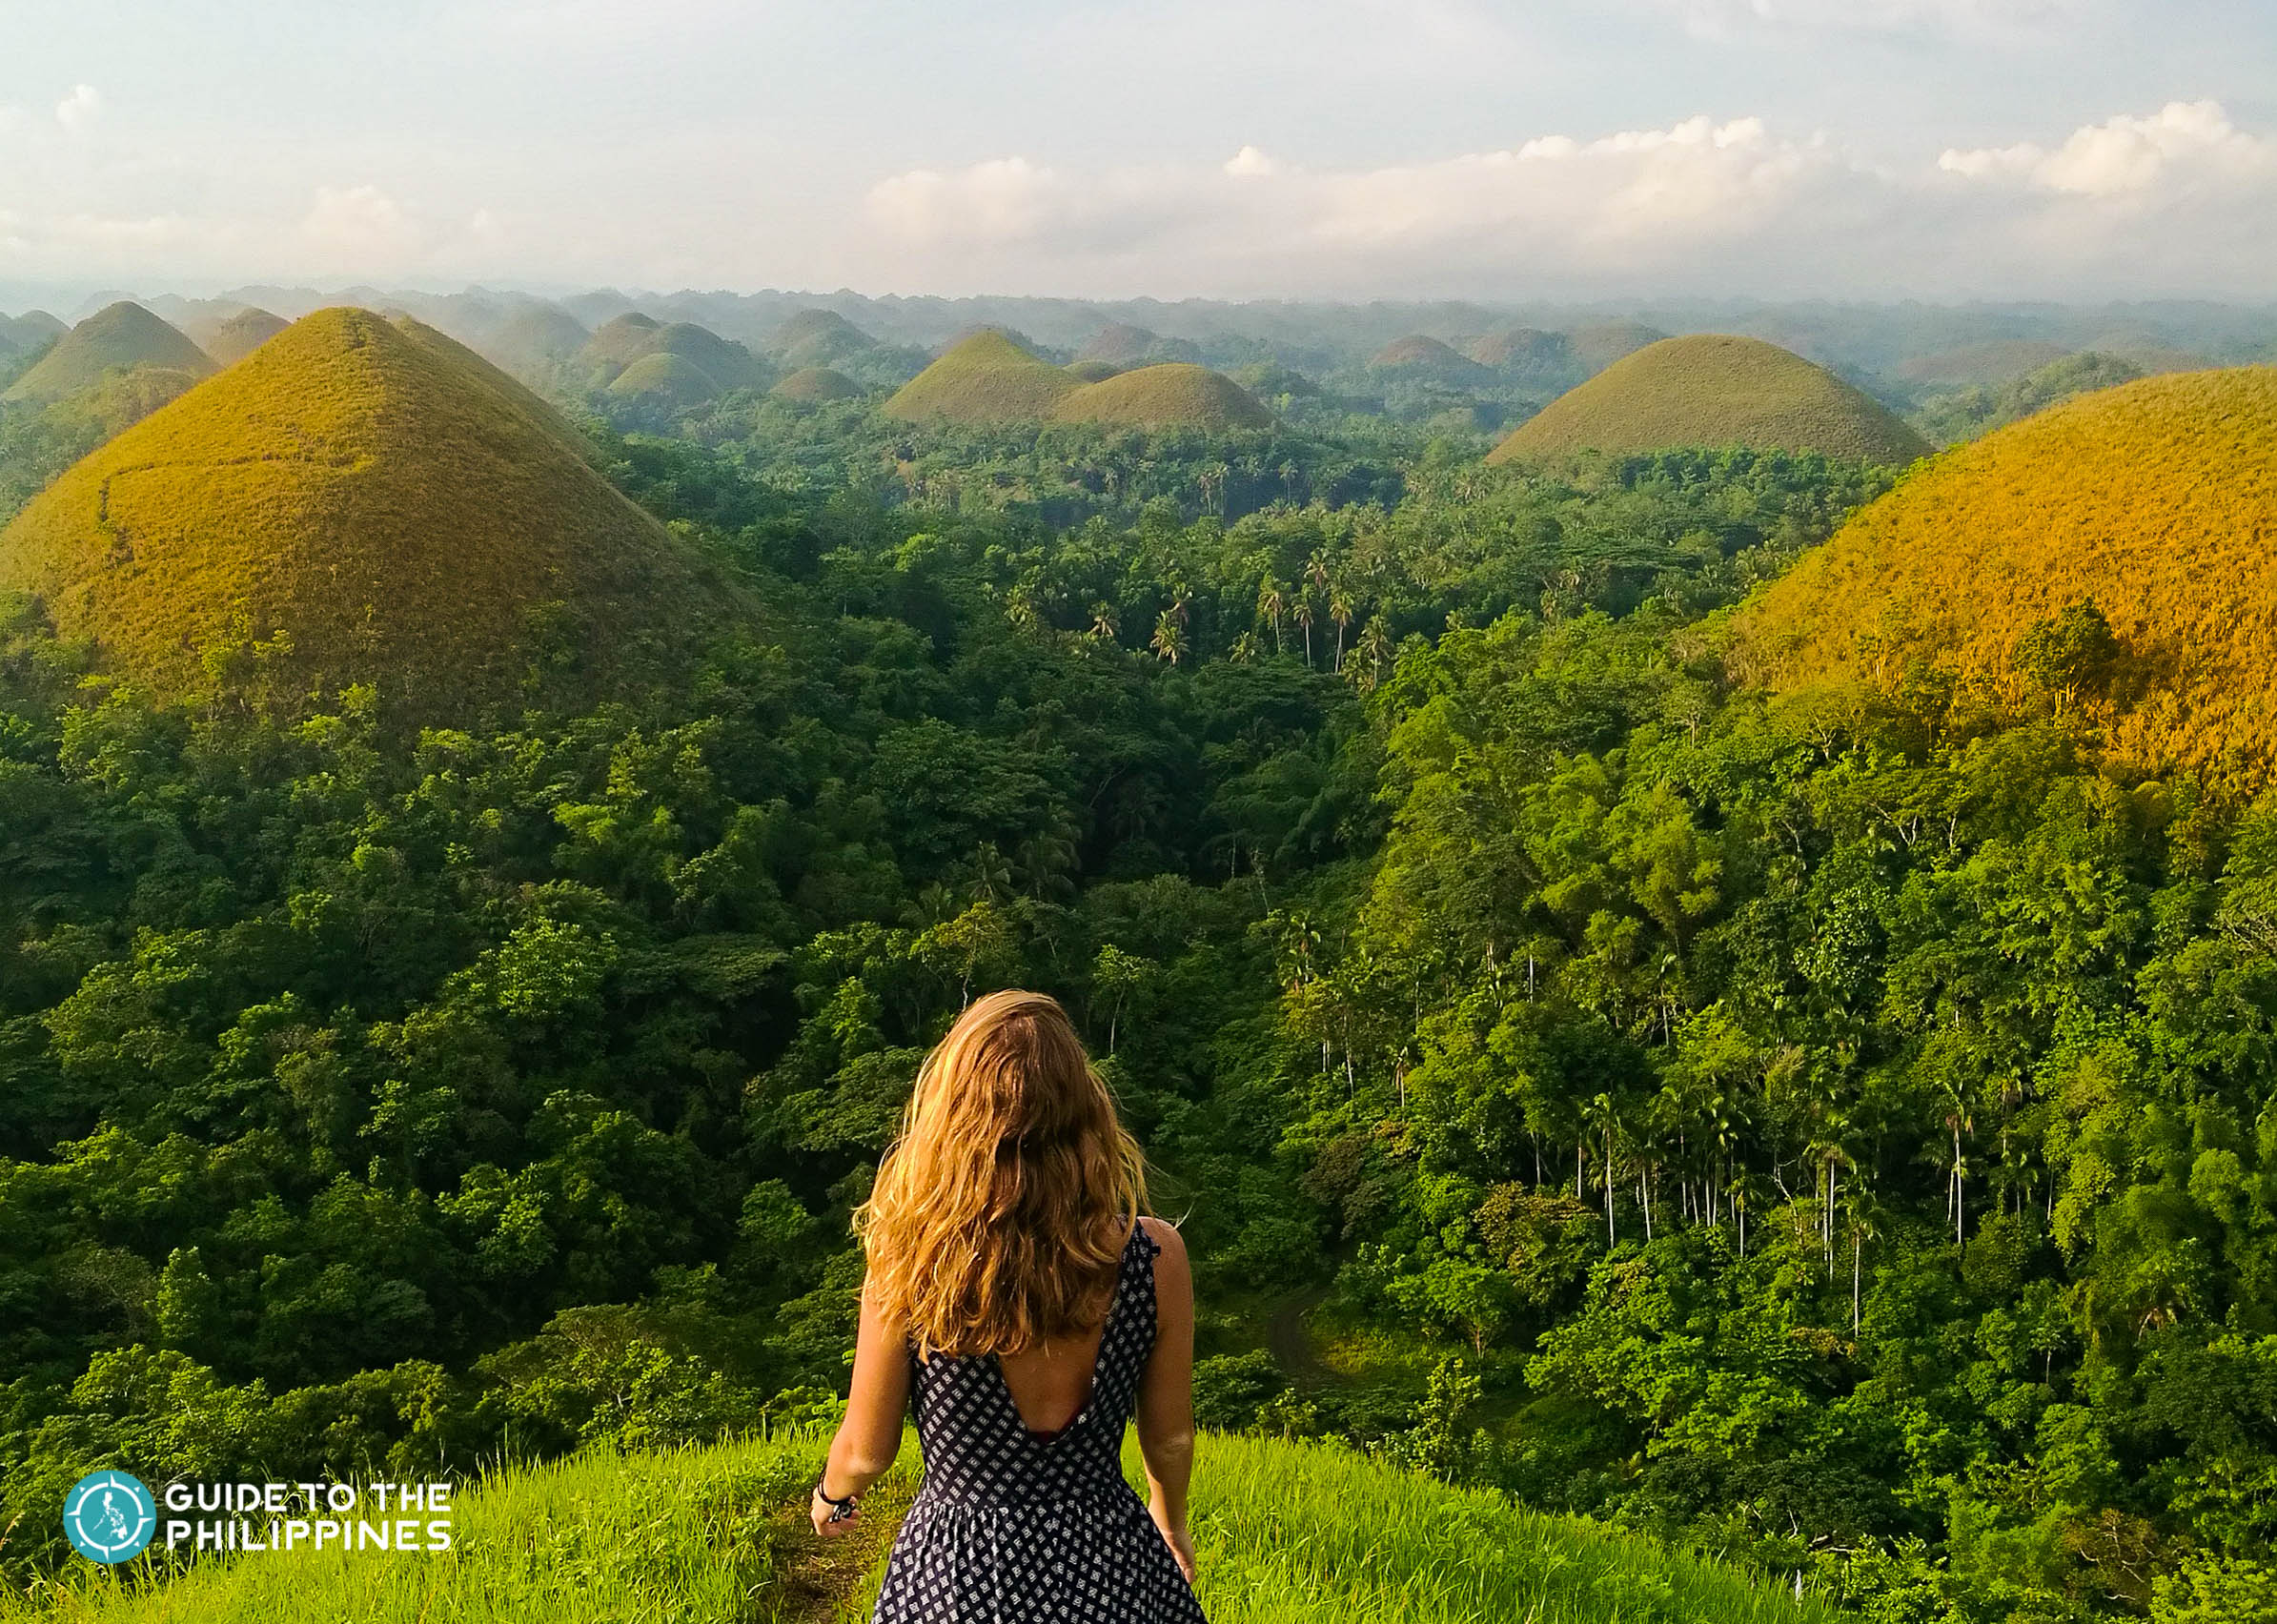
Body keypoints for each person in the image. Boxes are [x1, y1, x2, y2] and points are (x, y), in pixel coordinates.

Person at [810, 988, 1208, 1623]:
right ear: (1085, 1109)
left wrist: (832, 1495)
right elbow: (1170, 1436)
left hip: (956, 1576)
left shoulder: (913, 1259)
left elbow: (866, 1452)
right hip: (1110, 1560)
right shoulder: (1155, 1256)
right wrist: (1169, 1520)